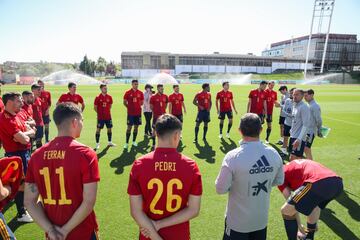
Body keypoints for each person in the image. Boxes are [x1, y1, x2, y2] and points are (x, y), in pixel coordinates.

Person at [24, 103, 100, 240]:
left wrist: (51, 230)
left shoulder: (36, 155)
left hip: (53, 234)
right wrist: (65, 230)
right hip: (82, 231)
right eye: (82, 120)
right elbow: (89, 201)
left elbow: (29, 202)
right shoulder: (86, 154)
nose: (82, 124)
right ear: (75, 122)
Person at [127, 114, 202, 240]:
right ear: (176, 135)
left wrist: (156, 235)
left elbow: (135, 211)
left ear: (155, 133)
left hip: (148, 234)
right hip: (179, 235)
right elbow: (194, 210)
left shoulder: (139, 164)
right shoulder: (190, 166)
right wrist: (159, 224)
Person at [216, 113, 284, 240]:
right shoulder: (273, 153)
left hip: (237, 222)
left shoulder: (232, 157)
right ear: (261, 130)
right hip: (260, 220)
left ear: (240, 130)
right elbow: (279, 180)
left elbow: (220, 189)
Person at [279, 159, 343, 240]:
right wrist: (313, 225)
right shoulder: (292, 165)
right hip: (337, 183)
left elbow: (290, 206)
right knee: (314, 205)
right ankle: (309, 236)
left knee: (286, 211)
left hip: (318, 182)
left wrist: (299, 225)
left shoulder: (280, 175)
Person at [0, 92, 34, 222]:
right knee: (20, 184)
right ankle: (21, 213)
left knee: (24, 183)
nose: (21, 103)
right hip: (16, 155)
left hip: (24, 153)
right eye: (18, 101)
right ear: (9, 102)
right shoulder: (5, 118)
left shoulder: (16, 115)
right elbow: (25, 139)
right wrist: (27, 133)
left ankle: (23, 207)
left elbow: (31, 130)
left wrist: (26, 133)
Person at [289, 89, 311, 161]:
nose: (294, 96)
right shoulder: (295, 105)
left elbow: (306, 125)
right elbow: (295, 120)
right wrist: (291, 130)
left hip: (298, 138)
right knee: (293, 159)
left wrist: (299, 139)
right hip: (293, 136)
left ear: (302, 96)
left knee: (296, 159)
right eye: (294, 94)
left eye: (297, 94)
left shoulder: (304, 107)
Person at [123, 79, 144, 149]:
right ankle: (126, 142)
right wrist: (129, 108)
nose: (136, 85)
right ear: (132, 84)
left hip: (138, 113)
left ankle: (134, 141)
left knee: (136, 127)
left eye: (137, 84)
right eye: (135, 84)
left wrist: (137, 106)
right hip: (130, 113)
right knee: (129, 128)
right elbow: (124, 102)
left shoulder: (140, 93)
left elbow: (142, 102)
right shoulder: (127, 92)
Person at [94, 83, 115, 150]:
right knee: (98, 130)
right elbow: (95, 107)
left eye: (106, 88)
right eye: (104, 88)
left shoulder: (109, 97)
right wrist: (99, 113)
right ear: (101, 89)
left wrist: (107, 112)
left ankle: (109, 142)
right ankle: (97, 144)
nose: (106, 89)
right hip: (100, 117)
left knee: (109, 128)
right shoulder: (97, 97)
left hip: (108, 117)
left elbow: (110, 106)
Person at [304, 89, 322, 160]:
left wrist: (319, 130)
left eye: (306, 96)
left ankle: (311, 164)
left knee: (306, 148)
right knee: (305, 148)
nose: (305, 97)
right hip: (306, 130)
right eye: (304, 96)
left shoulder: (315, 106)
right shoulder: (309, 104)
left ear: (311, 95)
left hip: (310, 131)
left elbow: (319, 120)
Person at [150, 84, 168, 150]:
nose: (162, 90)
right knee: (154, 130)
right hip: (156, 117)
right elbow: (151, 107)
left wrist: (163, 111)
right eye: (161, 89)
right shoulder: (153, 97)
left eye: (163, 89)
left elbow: (166, 104)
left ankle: (163, 144)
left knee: (164, 130)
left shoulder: (165, 96)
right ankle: (154, 144)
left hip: (163, 116)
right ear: (157, 89)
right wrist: (156, 112)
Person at [281, 88, 295, 155]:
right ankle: (283, 151)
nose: (291, 94)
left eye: (292, 93)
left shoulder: (298, 102)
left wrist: (291, 115)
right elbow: (284, 110)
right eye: (290, 93)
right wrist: (288, 114)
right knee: (285, 137)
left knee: (293, 139)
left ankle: (292, 152)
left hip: (295, 125)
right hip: (287, 123)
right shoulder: (287, 100)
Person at [31, 84, 44, 149]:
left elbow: (40, 111)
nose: (40, 91)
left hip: (40, 123)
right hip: (33, 124)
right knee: (31, 141)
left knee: (39, 140)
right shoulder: (29, 100)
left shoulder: (39, 99)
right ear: (33, 90)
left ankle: (39, 154)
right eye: (38, 90)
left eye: (40, 90)